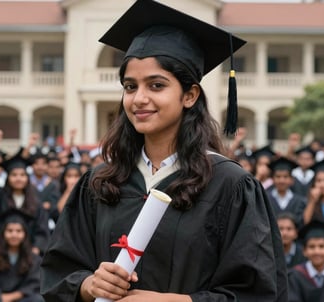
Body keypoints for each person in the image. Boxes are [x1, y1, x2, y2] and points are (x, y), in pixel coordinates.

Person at [40, 1, 287, 301]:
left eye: (156, 85)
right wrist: (89, 286)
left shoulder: (230, 186)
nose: (139, 99)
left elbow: (258, 292)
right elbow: (58, 271)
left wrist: (175, 301)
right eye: (130, 87)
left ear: (190, 95)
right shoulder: (99, 183)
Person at [0, 130, 50, 255]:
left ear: (27, 178)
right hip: (0, 254)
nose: (18, 178)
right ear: (8, 178)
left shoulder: (35, 202)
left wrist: (36, 249)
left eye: (22, 175)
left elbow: (42, 230)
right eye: (14, 175)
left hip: (28, 257)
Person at [0, 208, 44, 302]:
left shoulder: (34, 258)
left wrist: (10, 297)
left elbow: (33, 284)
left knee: (37, 299)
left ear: (25, 234)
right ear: (3, 233)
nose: (14, 235)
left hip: (22, 299)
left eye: (19, 231)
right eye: (10, 230)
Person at [288, 219, 324, 301]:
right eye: (312, 247)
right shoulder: (295, 276)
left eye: (322, 246)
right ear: (304, 251)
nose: (317, 251)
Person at [266, 156, 307, 228]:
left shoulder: (300, 201)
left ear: (292, 180)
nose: (282, 180)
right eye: (278, 176)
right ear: (272, 179)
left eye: (285, 177)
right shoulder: (265, 199)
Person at [303, 158, 324, 225]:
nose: (322, 184)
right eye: (318, 181)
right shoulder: (307, 201)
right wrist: (312, 201)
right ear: (314, 183)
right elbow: (306, 222)